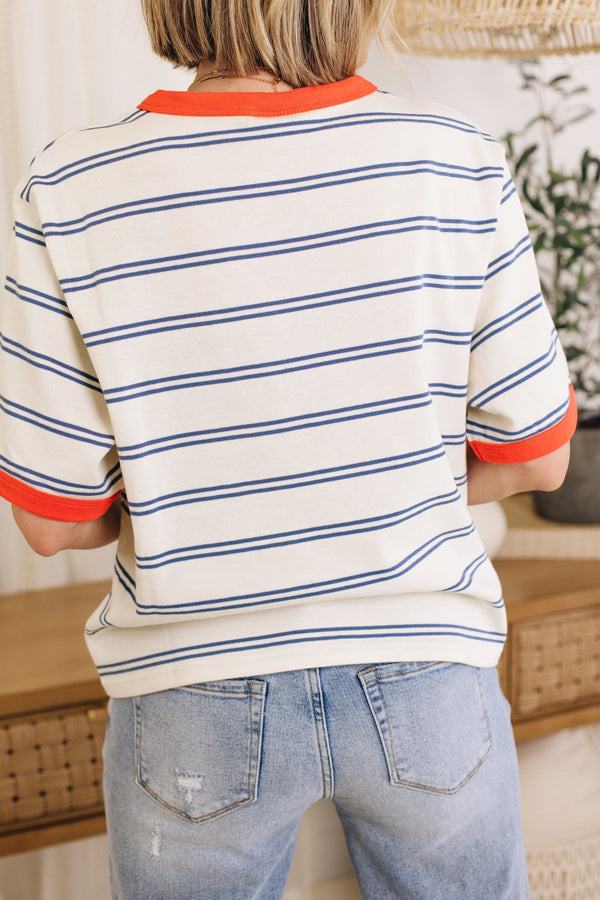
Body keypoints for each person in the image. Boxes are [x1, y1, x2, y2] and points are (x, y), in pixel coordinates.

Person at [0, 1, 576, 897]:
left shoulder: (67, 184)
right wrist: (388, 488)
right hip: (426, 668)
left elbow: (49, 521)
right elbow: (538, 457)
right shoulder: (451, 154)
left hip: (192, 691)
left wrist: (194, 498)